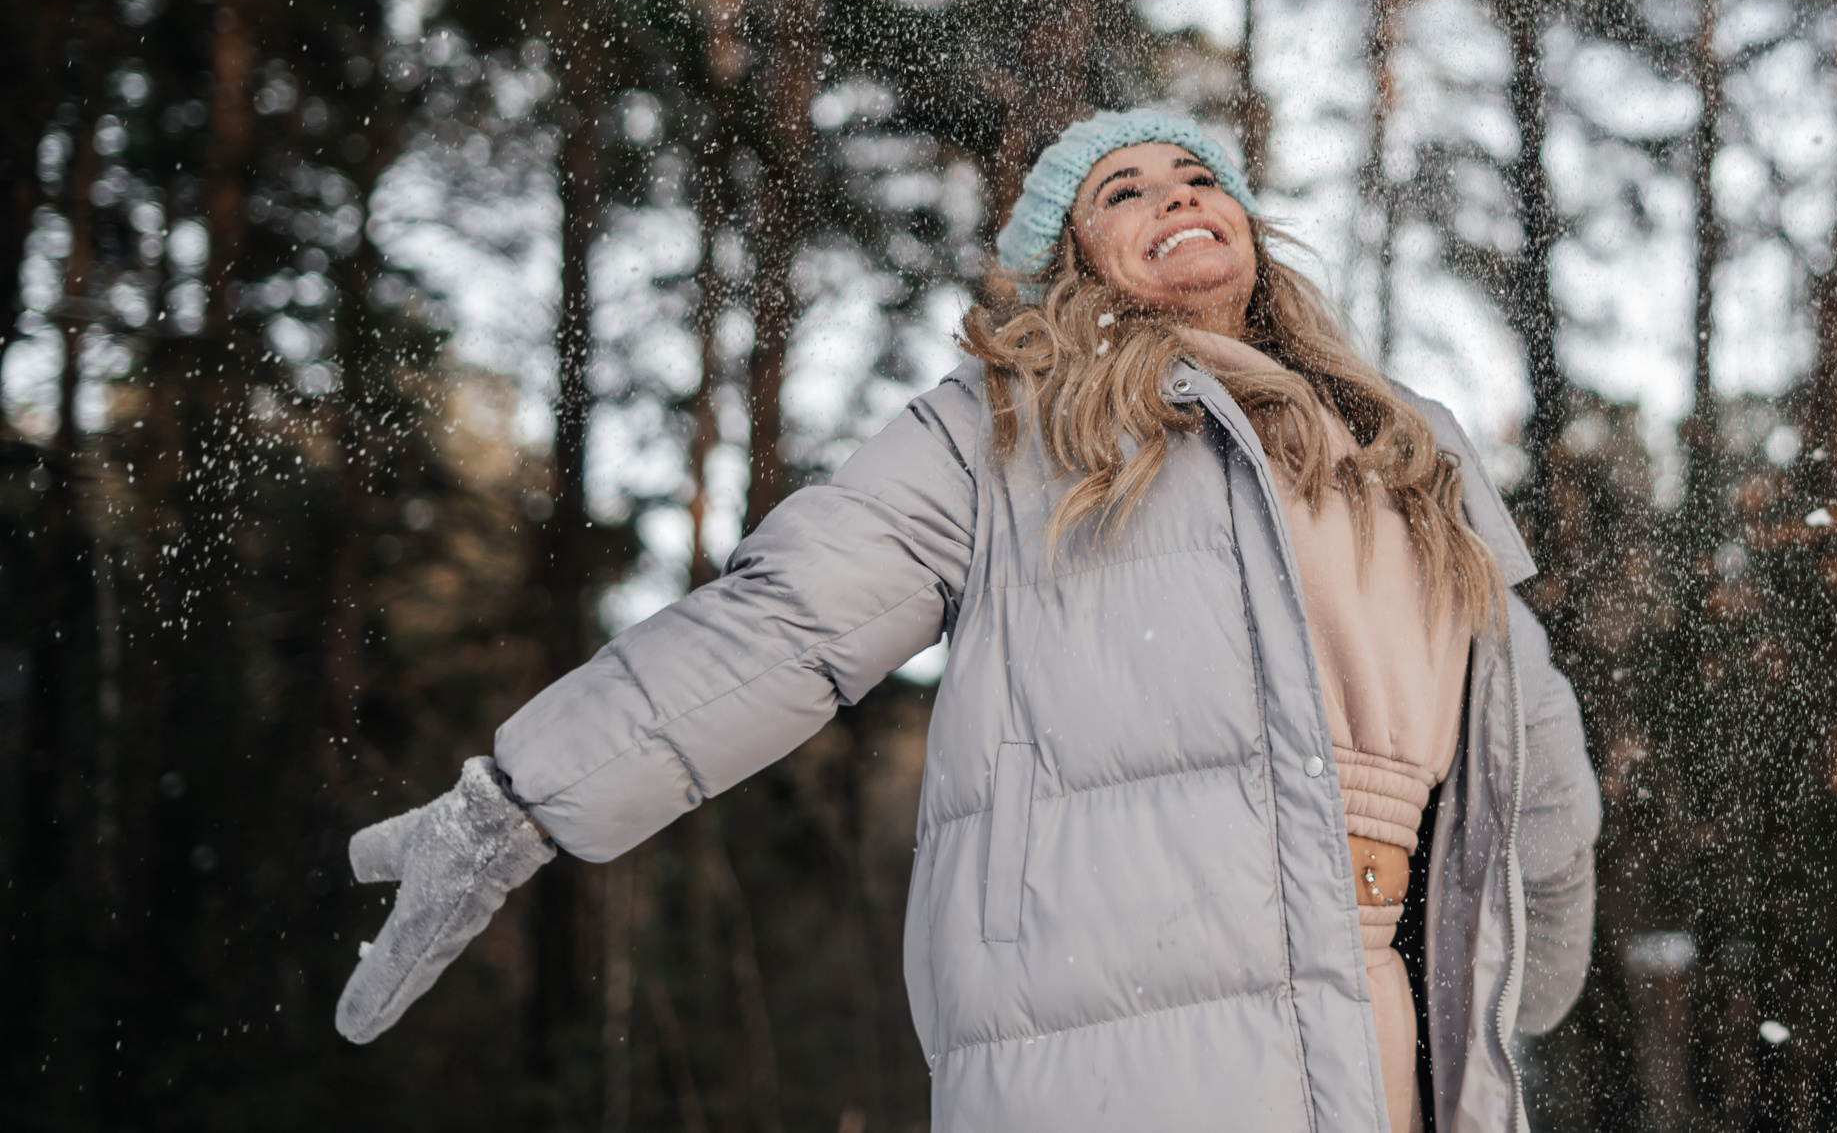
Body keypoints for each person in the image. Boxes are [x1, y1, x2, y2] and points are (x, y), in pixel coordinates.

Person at [335, 108, 1601, 1133]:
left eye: (1195, 173)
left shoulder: (1401, 440)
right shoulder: (1005, 431)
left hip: (1386, 1015)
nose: (1171, 194)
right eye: (1121, 190)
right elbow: (782, 626)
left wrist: (1521, 973)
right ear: (1072, 261)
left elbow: (1524, 728)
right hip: (1111, 1035)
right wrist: (514, 803)